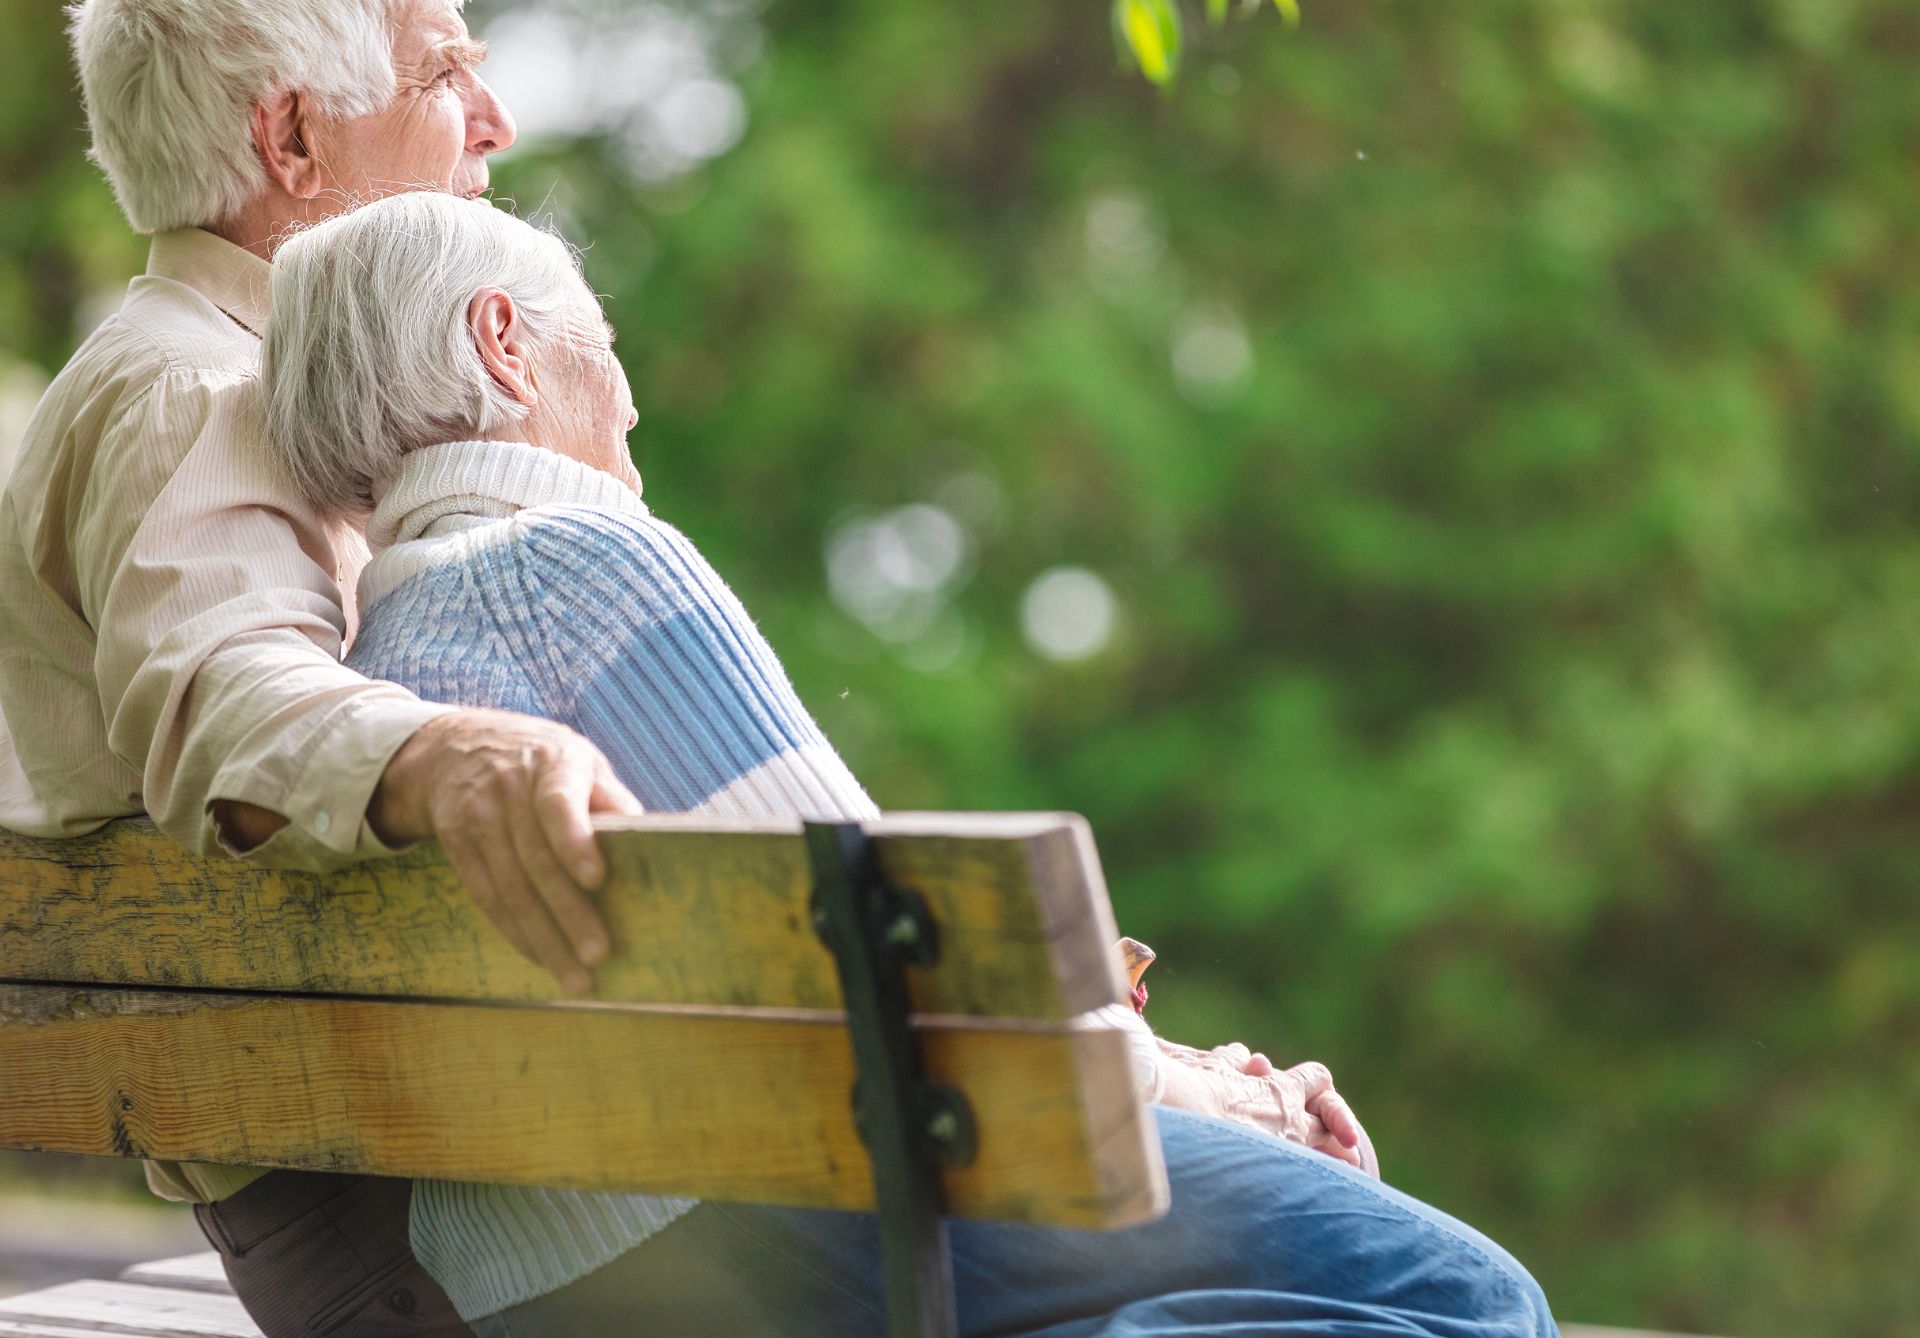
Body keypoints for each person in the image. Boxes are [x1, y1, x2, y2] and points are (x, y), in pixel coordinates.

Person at [259, 189, 1561, 1338]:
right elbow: (914, 984)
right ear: (504, 341)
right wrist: (1233, 1095)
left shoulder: (375, 658)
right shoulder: (576, 562)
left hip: (524, 1281)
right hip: (755, 1220)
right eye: (599, 339)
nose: (634, 392)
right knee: (1472, 1299)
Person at [0, 0, 644, 1338]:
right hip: (391, 1216)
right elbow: (224, 691)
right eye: (445, 71)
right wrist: (452, 757)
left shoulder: (262, 381)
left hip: (430, 1152)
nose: (497, 119)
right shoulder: (199, 388)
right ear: (292, 138)